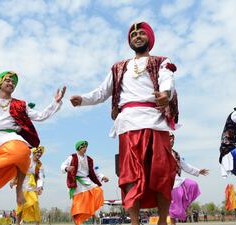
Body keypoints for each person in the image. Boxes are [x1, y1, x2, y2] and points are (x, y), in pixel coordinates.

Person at [70, 21, 178, 225]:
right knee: (130, 176)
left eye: (141, 33)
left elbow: (167, 79)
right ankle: (135, 221)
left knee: (162, 172)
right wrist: (83, 100)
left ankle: (163, 221)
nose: (137, 36)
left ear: (149, 38)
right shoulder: (119, 67)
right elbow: (102, 92)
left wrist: (165, 94)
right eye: (133, 34)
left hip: (155, 120)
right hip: (128, 124)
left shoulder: (161, 61)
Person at [0, 50, 66, 225]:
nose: (11, 83)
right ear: (0, 83)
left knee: (22, 151)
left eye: (13, 82)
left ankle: (19, 191)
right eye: (8, 80)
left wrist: (56, 103)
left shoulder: (19, 105)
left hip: (10, 139)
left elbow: (41, 116)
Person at [61, 140, 109, 225]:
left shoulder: (89, 159)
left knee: (98, 191)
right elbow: (63, 165)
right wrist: (67, 168)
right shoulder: (72, 157)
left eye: (85, 147)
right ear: (78, 148)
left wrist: (102, 177)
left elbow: (95, 171)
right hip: (76, 184)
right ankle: (77, 220)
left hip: (87, 181)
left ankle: (91, 211)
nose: (85, 148)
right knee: (78, 205)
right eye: (83, 147)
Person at [168, 133, 208, 225]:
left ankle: (185, 207)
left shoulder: (176, 154)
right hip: (167, 182)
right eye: (169, 139)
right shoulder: (160, 152)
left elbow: (185, 166)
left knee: (193, 184)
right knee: (174, 206)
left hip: (177, 180)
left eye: (172, 139)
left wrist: (198, 171)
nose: (171, 141)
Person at [12, 146, 46, 225]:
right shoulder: (26, 160)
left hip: (32, 186)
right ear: (34, 152)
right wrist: (13, 180)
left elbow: (41, 177)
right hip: (22, 185)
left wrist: (40, 187)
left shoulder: (39, 165)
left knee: (35, 203)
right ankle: (17, 223)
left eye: (40, 153)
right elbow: (17, 169)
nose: (39, 154)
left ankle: (37, 223)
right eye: (37, 152)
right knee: (21, 206)